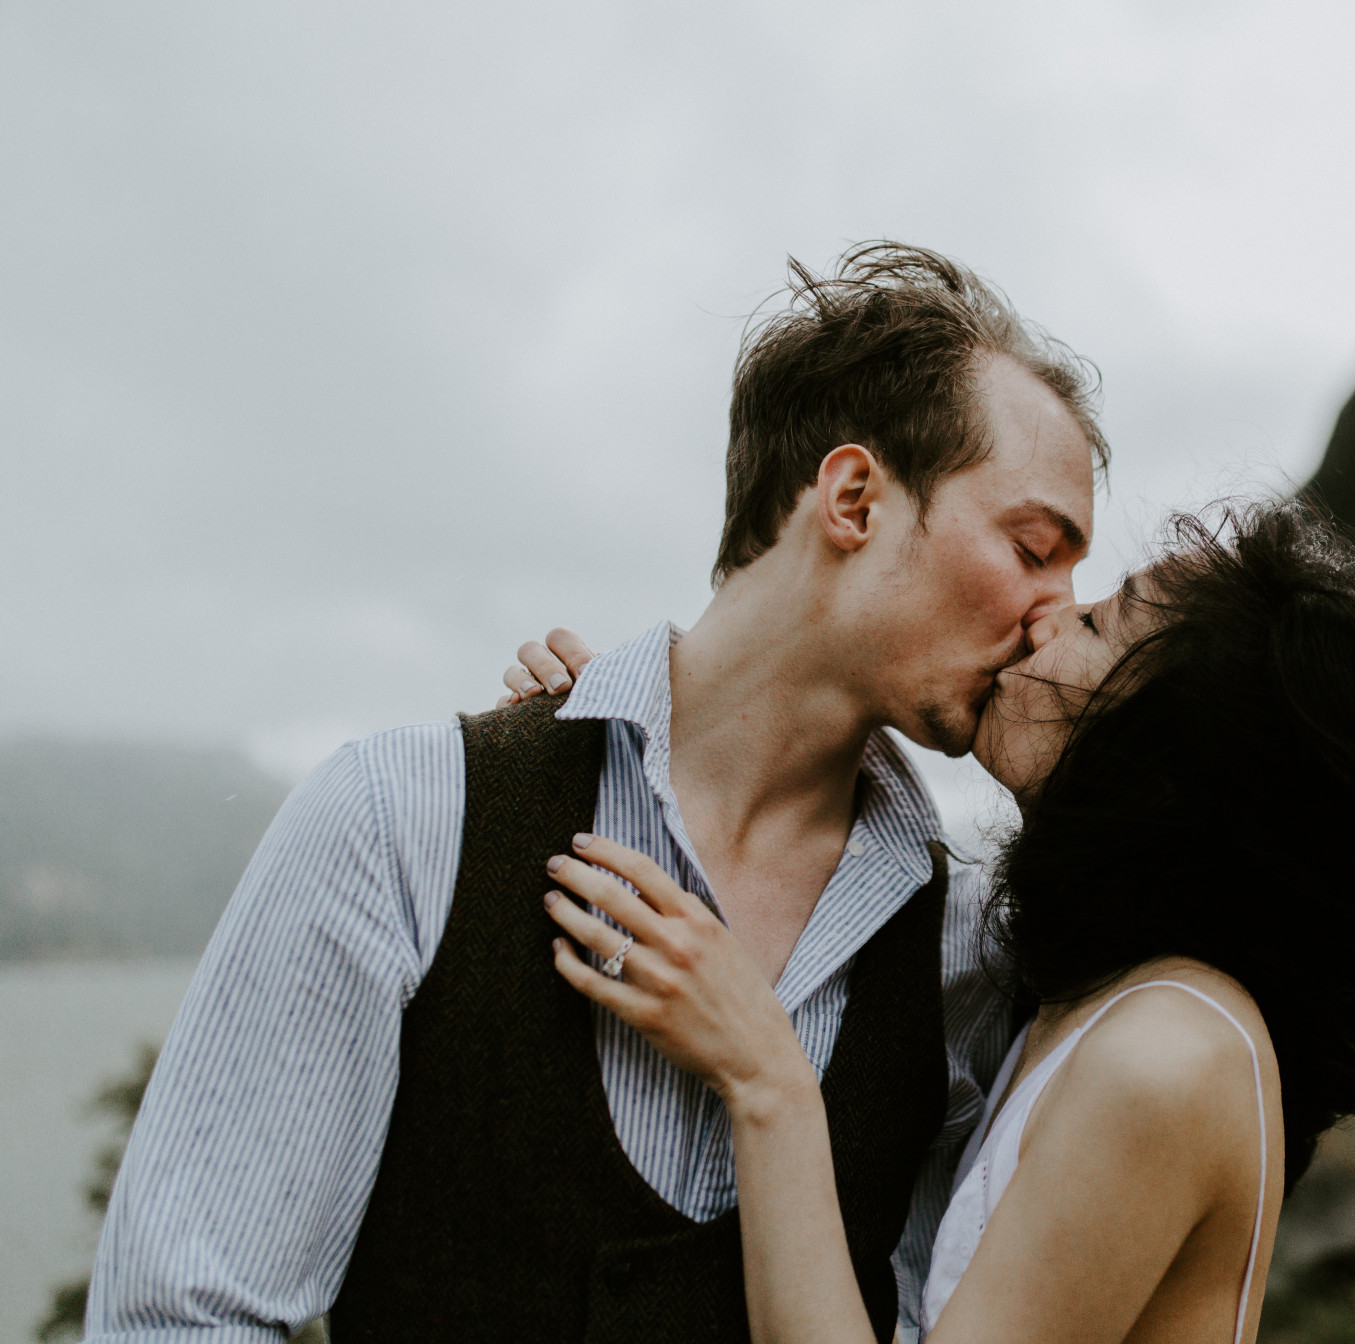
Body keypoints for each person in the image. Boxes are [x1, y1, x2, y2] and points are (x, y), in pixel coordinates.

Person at [86, 245, 1107, 1343]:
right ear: (853, 497)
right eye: (1035, 547)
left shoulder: (965, 952)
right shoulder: (403, 816)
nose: (1056, 615)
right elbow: (183, 1316)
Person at [512, 500, 1355, 1342]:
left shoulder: (1168, 1057)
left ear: (1174, 764)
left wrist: (766, 1080)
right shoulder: (1080, 997)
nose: (1047, 615)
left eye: (1097, 620)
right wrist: (651, 748)